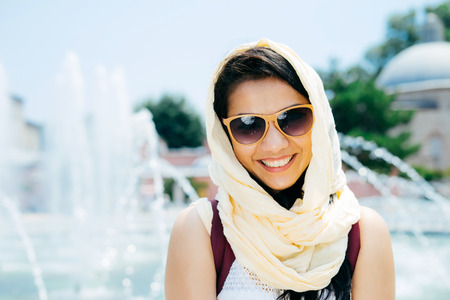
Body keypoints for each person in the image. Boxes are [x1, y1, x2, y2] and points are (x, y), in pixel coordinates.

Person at [165, 39, 395, 300]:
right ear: (225, 138)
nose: (274, 145)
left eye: (293, 117)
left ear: (319, 121)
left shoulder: (362, 233)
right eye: (248, 124)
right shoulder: (201, 230)